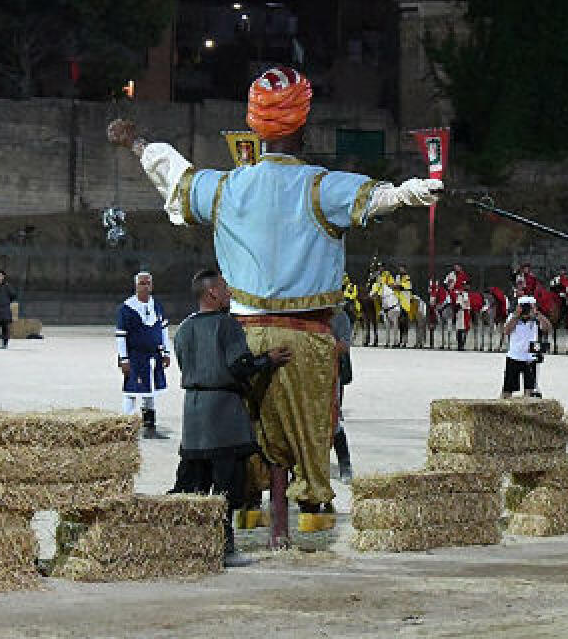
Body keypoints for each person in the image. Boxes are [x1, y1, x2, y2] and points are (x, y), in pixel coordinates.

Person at [107, 65, 441, 546]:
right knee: (310, 429)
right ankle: (312, 509)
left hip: (240, 336)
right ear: (303, 126)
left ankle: (246, 509)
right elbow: (382, 197)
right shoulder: (323, 186)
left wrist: (137, 143)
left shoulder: (224, 188)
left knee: (249, 429)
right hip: (306, 340)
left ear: (254, 127)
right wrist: (414, 191)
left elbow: (175, 177)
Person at [170, 269, 293, 568]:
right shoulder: (227, 326)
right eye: (225, 289)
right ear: (212, 293)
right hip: (223, 417)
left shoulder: (184, 329)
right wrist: (268, 360)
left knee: (191, 487)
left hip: (193, 415)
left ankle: (184, 546)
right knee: (225, 488)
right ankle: (224, 548)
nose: (230, 294)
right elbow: (239, 366)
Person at [116, 271, 172, 439]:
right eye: (142, 283)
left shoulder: (157, 305)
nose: (145, 286)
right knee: (131, 389)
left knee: (151, 388)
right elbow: (120, 335)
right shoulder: (126, 308)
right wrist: (124, 359)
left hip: (153, 356)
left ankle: (149, 421)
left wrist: (166, 352)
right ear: (136, 285)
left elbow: (163, 330)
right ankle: (127, 421)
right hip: (135, 356)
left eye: (148, 283)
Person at [501, 295, 551, 399]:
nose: (526, 310)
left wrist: (537, 314)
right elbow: (506, 331)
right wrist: (516, 315)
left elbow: (548, 329)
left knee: (530, 390)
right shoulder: (513, 317)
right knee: (507, 390)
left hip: (530, 358)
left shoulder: (536, 320)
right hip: (514, 356)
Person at [330, 303, 354, 482]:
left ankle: (345, 464)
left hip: (331, 372)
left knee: (333, 420)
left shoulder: (340, 316)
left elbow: (345, 344)